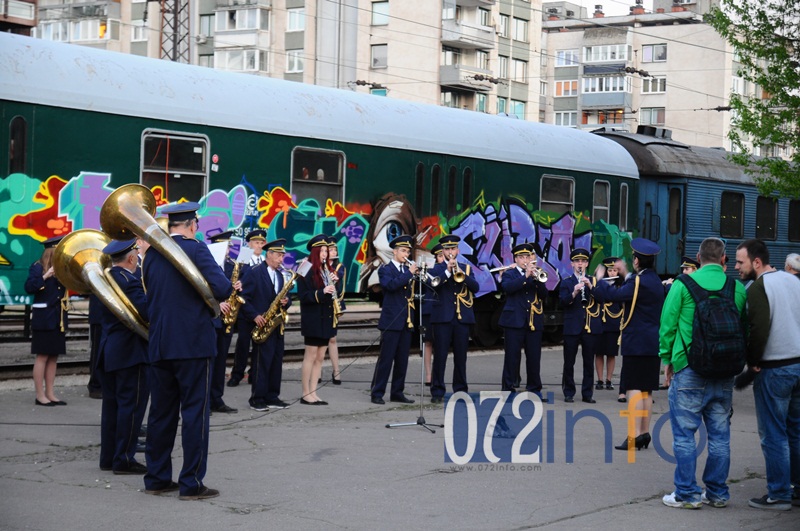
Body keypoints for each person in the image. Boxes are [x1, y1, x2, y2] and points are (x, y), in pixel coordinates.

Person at [142, 202, 233, 501]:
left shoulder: (152, 254)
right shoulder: (196, 249)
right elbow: (222, 288)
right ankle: (191, 483)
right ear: (193, 224)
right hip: (193, 344)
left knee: (160, 414)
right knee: (194, 414)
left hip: (160, 343)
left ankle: (156, 478)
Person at [658, 237, 746, 509]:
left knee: (685, 435)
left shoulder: (682, 285)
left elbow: (667, 326)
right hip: (724, 373)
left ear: (698, 258)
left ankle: (687, 494)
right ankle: (718, 493)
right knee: (720, 436)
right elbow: (743, 329)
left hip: (689, 370)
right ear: (723, 259)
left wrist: (667, 360)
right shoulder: (737, 288)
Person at [736, 239, 800, 511]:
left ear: (757, 262)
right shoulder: (793, 281)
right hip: (798, 364)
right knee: (795, 431)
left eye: (741, 262)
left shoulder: (759, 288)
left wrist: (753, 361)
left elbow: (758, 328)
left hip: (774, 369)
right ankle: (796, 488)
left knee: (773, 434)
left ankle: (778, 494)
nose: (737, 267)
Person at [594, 239, 665, 451]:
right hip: (653, 341)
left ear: (636, 260)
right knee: (646, 390)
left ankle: (633, 435)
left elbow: (613, 295)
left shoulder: (637, 282)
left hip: (636, 342)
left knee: (634, 387)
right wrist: (626, 274)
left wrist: (599, 280)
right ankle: (644, 433)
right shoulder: (654, 281)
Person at [97, 238, 149, 475]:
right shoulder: (131, 281)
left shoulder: (106, 280)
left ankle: (108, 458)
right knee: (132, 407)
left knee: (112, 407)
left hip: (109, 350)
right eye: (136, 254)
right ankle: (124, 459)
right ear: (130, 258)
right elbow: (146, 312)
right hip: (131, 352)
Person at [241, 238, 292, 411]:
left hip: (277, 325)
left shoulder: (279, 274)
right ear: (269, 254)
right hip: (262, 324)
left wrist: (287, 301)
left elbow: (285, 297)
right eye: (278, 255)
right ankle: (257, 398)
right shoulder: (254, 272)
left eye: (282, 256)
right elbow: (243, 299)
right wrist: (254, 315)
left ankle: (272, 396)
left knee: (276, 362)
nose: (281, 259)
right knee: (261, 362)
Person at [429, 235, 480, 404]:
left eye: (453, 249)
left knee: (460, 357)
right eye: (447, 249)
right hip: (442, 318)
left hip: (462, 318)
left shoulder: (465, 268)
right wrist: (447, 272)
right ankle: (437, 391)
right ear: (442, 251)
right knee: (440, 356)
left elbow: (476, 287)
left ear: (457, 250)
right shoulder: (436, 269)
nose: (450, 252)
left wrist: (462, 275)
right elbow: (433, 285)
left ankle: (460, 390)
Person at [371, 235, 418, 405]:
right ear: (395, 251)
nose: (406, 254)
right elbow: (390, 286)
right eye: (404, 251)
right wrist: (409, 274)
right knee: (386, 358)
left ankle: (397, 392)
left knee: (402, 359)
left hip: (407, 320)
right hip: (391, 321)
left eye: (408, 251)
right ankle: (377, 392)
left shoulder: (408, 270)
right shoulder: (385, 269)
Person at [498, 243, 548, 400]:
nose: (525, 260)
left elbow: (544, 295)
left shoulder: (537, 273)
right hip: (514, 321)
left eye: (527, 257)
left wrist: (537, 280)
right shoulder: (510, 274)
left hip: (533, 320)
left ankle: (534, 389)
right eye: (521, 257)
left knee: (534, 357)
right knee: (511, 357)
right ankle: (508, 388)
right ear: (516, 259)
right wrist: (525, 276)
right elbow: (508, 288)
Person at [24, 235, 68, 406]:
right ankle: (39, 395)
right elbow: (29, 287)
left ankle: (50, 393)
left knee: (53, 356)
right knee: (42, 356)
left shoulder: (62, 268)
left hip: (58, 318)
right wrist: (46, 276)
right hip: (43, 318)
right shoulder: (37, 267)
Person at [559, 248, 602, 404]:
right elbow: (562, 302)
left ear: (587, 263)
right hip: (572, 327)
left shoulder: (594, 281)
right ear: (572, 263)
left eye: (583, 261)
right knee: (569, 361)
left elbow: (602, 299)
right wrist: (574, 293)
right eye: (577, 261)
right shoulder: (566, 282)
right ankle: (569, 392)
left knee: (588, 362)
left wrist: (590, 286)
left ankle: (587, 393)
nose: (580, 264)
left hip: (589, 327)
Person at [297, 234, 336, 405]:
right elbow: (303, 296)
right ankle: (305, 393)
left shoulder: (326, 269)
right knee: (310, 355)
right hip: (313, 317)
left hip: (326, 317)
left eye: (326, 251)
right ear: (315, 251)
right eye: (321, 251)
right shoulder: (305, 267)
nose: (325, 254)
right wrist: (322, 292)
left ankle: (313, 392)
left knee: (320, 356)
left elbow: (334, 295)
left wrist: (336, 283)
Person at [227, 229, 267, 388]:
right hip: (246, 309)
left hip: (261, 309)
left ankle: (254, 373)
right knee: (243, 344)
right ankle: (237, 374)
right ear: (249, 244)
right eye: (256, 242)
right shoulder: (243, 260)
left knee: (260, 344)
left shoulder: (265, 260)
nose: (259, 246)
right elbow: (235, 280)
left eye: (261, 243)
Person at [209, 230, 238, 414]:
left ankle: (217, 398)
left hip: (226, 320)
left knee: (221, 361)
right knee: (210, 361)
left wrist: (236, 288)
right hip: (212, 318)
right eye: (226, 246)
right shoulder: (208, 265)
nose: (229, 250)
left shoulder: (229, 265)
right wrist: (218, 303)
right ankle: (206, 399)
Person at [595, 256, 622, 393]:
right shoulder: (599, 283)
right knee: (599, 352)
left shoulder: (620, 285)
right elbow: (597, 297)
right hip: (600, 321)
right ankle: (599, 379)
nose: (612, 273)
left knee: (611, 353)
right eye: (610, 270)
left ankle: (609, 380)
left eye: (615, 270)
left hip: (614, 322)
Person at [323, 236, 344, 385]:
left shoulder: (339, 267)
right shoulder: (318, 265)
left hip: (333, 305)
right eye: (329, 249)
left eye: (334, 249)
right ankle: (316, 372)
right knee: (320, 339)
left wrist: (334, 277)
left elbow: (339, 279)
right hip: (321, 305)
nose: (332, 251)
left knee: (332, 338)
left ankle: (336, 371)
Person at [421, 243, 444, 386]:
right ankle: (428, 375)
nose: (443, 258)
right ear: (436, 258)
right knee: (427, 341)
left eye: (444, 255)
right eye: (440, 256)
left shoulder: (452, 269)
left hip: (443, 310)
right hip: (429, 308)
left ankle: (437, 376)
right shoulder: (431, 270)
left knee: (440, 344)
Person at [86, 294, 103, 399]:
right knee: (97, 352)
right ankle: (95, 385)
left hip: (109, 313)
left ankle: (102, 384)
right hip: (100, 313)